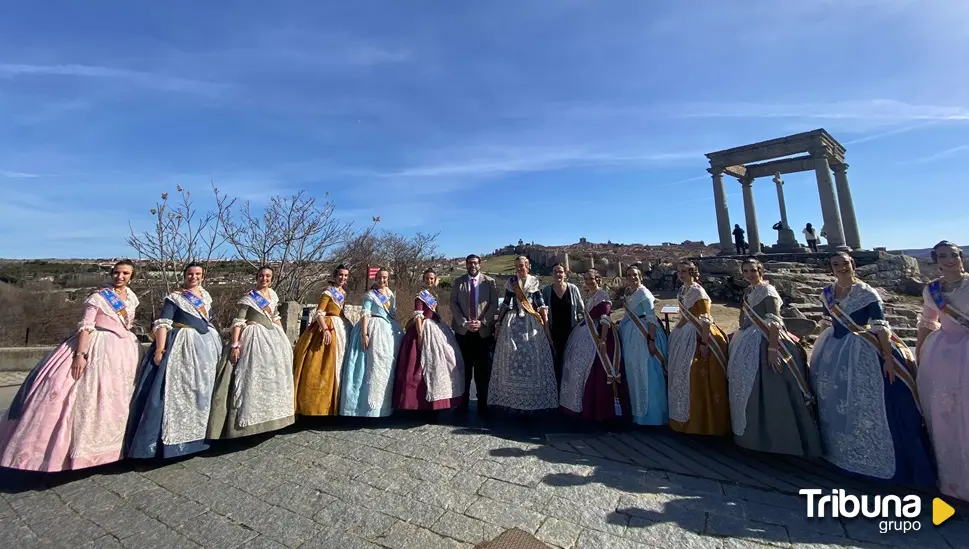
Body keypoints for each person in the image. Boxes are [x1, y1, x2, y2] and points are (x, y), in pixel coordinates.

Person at [0, 261, 140, 471]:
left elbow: (127, 323)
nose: (120, 276)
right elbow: (86, 326)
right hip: (97, 346)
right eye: (117, 272)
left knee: (118, 399)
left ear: (131, 276)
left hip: (124, 350)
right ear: (112, 274)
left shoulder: (132, 298)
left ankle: (115, 449)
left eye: (125, 273)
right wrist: (80, 355)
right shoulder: (98, 297)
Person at [810, 251, 935, 485]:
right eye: (836, 264)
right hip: (832, 350)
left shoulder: (866, 293)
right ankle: (841, 453)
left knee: (868, 404)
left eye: (845, 263)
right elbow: (826, 322)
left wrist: (888, 358)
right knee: (834, 401)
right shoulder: (826, 293)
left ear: (852, 264)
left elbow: (881, 327)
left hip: (863, 350)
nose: (841, 267)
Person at [126, 262, 223, 459]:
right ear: (184, 275)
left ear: (202, 277)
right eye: (190, 274)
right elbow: (163, 324)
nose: (193, 277)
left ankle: (202, 437)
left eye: (197, 274)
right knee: (178, 391)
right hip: (182, 347)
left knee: (203, 391)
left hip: (205, 348)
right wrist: (160, 349)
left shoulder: (206, 297)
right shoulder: (175, 298)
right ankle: (171, 444)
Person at [726, 258, 821, 456]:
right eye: (746, 271)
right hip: (747, 339)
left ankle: (779, 440)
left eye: (753, 270)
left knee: (771, 387)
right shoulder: (749, 292)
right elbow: (744, 318)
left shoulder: (768, 291)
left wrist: (772, 349)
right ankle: (749, 436)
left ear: (761, 271)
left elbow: (775, 322)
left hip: (767, 341)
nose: (750, 274)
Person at [207, 265, 295, 439]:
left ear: (272, 278)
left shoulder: (273, 295)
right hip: (254, 338)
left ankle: (273, 418)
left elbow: (275, 317)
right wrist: (234, 345)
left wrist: (283, 339)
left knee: (272, 377)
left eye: (268, 276)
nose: (265, 279)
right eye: (262, 276)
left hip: (272, 338)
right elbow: (239, 322)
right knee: (252, 376)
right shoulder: (248, 298)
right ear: (257, 277)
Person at [916, 241, 969, 500]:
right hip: (942, 356)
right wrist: (918, 353)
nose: (949, 260)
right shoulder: (932, 290)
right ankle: (955, 481)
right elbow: (927, 322)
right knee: (946, 417)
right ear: (935, 260)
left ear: (961, 257)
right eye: (942, 256)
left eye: (953, 255)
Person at [666, 260, 730, 436]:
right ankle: (682, 422)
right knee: (680, 375)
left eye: (685, 271)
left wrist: (703, 342)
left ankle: (702, 423)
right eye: (679, 271)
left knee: (694, 374)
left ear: (693, 272)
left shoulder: (698, 291)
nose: (682, 274)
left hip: (698, 335)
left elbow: (705, 318)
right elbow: (684, 314)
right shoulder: (682, 290)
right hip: (683, 335)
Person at [489, 256, 559, 415]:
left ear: (528, 266)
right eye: (517, 266)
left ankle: (533, 400)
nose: (520, 269)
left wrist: (546, 327)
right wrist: (499, 322)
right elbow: (506, 303)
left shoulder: (534, 282)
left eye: (522, 266)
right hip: (512, 323)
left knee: (534, 359)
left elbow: (540, 305)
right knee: (510, 359)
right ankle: (512, 400)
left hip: (531, 323)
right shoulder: (511, 282)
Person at [560, 269, 630, 422]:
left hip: (598, 334)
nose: (588, 281)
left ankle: (594, 409)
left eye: (591, 278)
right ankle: (575, 405)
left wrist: (603, 339)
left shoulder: (602, 295)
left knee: (592, 367)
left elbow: (605, 318)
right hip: (585, 332)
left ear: (598, 279)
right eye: (586, 278)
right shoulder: (589, 295)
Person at [393, 269, 465, 413]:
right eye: (426, 278)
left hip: (436, 327)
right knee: (421, 363)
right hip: (425, 328)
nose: (429, 281)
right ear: (423, 279)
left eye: (431, 279)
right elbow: (418, 316)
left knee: (445, 359)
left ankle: (441, 398)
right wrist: (420, 335)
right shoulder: (420, 296)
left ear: (435, 280)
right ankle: (420, 402)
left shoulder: (434, 295)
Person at [341, 267, 404, 417]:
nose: (382, 280)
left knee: (387, 365)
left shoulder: (390, 294)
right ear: (375, 278)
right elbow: (365, 314)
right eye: (380, 278)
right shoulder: (370, 295)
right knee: (369, 366)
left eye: (385, 278)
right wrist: (364, 334)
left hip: (388, 330)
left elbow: (393, 313)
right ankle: (364, 408)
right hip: (373, 328)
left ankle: (386, 405)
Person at [292, 265, 352, 416]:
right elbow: (319, 312)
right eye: (341, 275)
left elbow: (340, 312)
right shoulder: (328, 292)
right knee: (322, 365)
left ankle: (336, 402)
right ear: (335, 275)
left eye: (345, 275)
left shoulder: (343, 293)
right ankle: (318, 406)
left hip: (340, 328)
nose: (343, 278)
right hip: (327, 326)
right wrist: (325, 328)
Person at [618, 265, 669, 426]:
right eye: (629, 275)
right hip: (629, 334)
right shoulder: (629, 292)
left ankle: (652, 417)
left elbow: (651, 318)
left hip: (643, 334)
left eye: (635, 275)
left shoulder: (644, 294)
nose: (632, 278)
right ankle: (636, 413)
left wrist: (651, 340)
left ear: (640, 276)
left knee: (648, 373)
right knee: (632, 372)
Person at [450, 254, 498, 415]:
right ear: (466, 265)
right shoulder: (458, 282)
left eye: (475, 263)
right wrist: (464, 322)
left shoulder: (489, 282)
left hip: (483, 332)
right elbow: (453, 303)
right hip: (463, 332)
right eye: (470, 263)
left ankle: (482, 404)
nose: (473, 265)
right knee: (463, 369)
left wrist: (483, 321)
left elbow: (493, 304)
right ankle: (462, 404)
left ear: (480, 265)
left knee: (482, 371)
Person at [541, 263, 584, 387]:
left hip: (571, 332)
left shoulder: (573, 289)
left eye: (560, 272)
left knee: (571, 363)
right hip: (553, 333)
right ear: (552, 274)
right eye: (555, 272)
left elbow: (581, 309)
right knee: (555, 363)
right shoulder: (547, 291)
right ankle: (557, 393)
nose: (558, 274)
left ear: (565, 274)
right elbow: (542, 312)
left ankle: (570, 394)